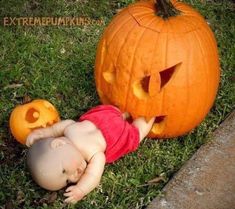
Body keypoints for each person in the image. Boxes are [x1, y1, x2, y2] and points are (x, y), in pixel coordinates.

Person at [26, 105, 155, 204]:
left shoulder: (74, 135)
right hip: (109, 119)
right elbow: (93, 175)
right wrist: (81, 189)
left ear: (58, 144)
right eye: (67, 181)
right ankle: (148, 115)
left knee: (134, 133)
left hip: (106, 117)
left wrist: (43, 133)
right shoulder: (75, 134)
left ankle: (140, 113)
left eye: (65, 171)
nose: (73, 177)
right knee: (134, 132)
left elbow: (54, 129)